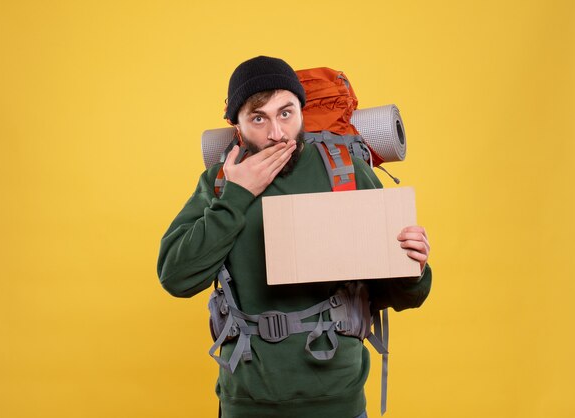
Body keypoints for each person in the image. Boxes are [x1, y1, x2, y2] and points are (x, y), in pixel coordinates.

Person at [157, 56, 432, 418]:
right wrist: (237, 196)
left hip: (339, 401)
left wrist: (413, 268)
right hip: (246, 403)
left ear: (301, 110)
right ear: (237, 125)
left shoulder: (344, 170)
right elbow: (176, 277)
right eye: (259, 118)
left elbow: (402, 295)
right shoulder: (220, 182)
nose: (277, 133)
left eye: (286, 113)